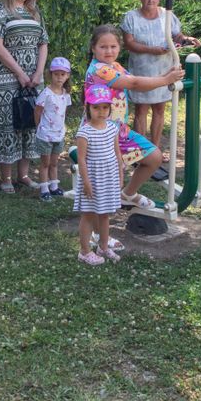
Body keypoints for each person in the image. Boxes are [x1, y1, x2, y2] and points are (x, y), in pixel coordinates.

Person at [85, 25, 184, 209]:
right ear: (93, 48)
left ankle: (128, 194)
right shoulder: (100, 70)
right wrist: (166, 80)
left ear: (119, 47)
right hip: (102, 134)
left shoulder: (114, 66)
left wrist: (166, 75)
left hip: (119, 131)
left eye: (113, 46)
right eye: (103, 47)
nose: (109, 51)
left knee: (154, 157)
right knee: (107, 184)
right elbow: (135, 83)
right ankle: (98, 227)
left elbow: (136, 79)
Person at [0, 0, 49, 193]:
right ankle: (6, 178)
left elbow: (43, 43)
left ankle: (24, 175)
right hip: (6, 79)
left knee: (30, 125)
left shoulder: (34, 11)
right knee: (8, 126)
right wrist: (20, 73)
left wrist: (38, 73)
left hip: (33, 78)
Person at [121, 0, 201, 154]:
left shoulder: (167, 15)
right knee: (141, 109)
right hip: (141, 71)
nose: (151, 0)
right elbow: (128, 43)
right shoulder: (131, 17)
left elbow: (176, 36)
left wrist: (187, 39)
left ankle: (155, 151)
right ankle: (140, 151)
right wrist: (153, 50)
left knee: (159, 108)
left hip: (165, 68)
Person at [74, 86, 123, 266]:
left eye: (105, 107)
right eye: (96, 107)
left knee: (105, 214)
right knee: (88, 215)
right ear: (88, 107)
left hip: (109, 178)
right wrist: (86, 182)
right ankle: (84, 251)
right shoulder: (84, 132)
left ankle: (103, 246)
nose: (101, 112)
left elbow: (117, 154)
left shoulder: (112, 128)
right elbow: (82, 159)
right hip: (93, 179)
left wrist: (120, 176)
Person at [34, 57, 72, 201]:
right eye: (56, 74)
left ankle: (54, 187)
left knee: (55, 162)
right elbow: (37, 111)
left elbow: (63, 113)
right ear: (50, 74)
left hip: (58, 134)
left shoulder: (65, 94)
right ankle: (44, 189)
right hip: (45, 134)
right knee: (45, 163)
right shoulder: (46, 93)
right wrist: (38, 126)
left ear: (67, 76)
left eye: (63, 74)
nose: (59, 77)